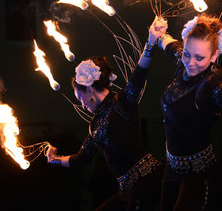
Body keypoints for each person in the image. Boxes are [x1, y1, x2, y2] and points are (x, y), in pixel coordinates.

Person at [46, 17, 167, 211]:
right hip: (128, 192)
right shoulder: (95, 126)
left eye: (80, 98)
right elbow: (81, 159)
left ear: (90, 91)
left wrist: (151, 42)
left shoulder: (123, 102)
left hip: (151, 185)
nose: (82, 105)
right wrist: (54, 159)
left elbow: (139, 73)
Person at [155, 14, 222, 210]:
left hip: (197, 175)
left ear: (213, 57)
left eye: (200, 58)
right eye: (187, 54)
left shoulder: (212, 81)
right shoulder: (183, 64)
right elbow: (171, 47)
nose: (190, 62)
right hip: (171, 169)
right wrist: (160, 34)